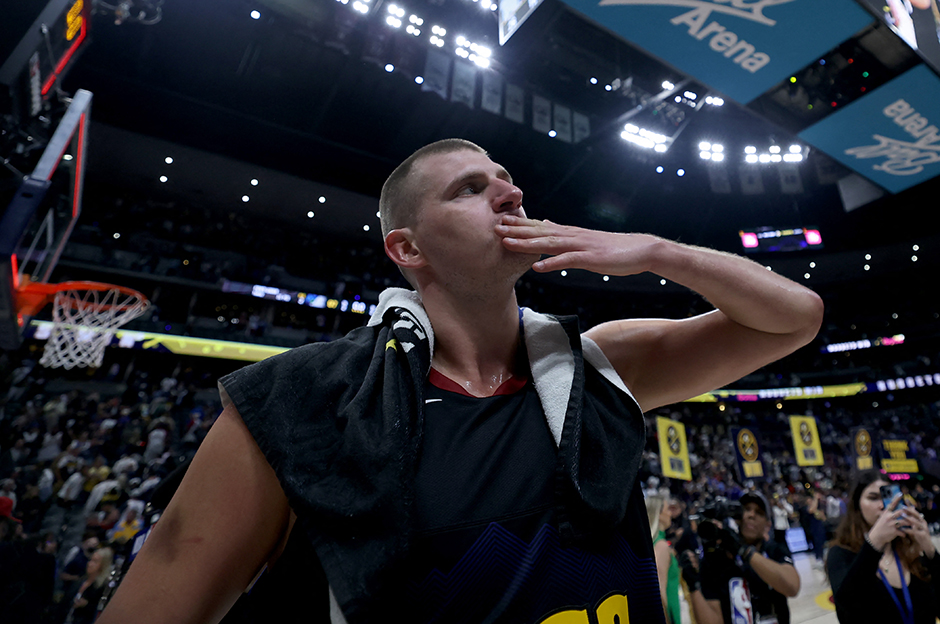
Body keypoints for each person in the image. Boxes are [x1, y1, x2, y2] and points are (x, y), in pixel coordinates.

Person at [97, 139, 823, 623]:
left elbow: (792, 319)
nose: (509, 193)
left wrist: (658, 252)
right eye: (471, 189)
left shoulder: (600, 365)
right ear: (407, 247)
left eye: (507, 181)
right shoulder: (304, 402)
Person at [827, 469, 940, 623]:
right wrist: (874, 544)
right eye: (873, 498)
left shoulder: (910, 551)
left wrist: (930, 550)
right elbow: (848, 611)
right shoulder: (841, 553)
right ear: (857, 505)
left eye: (889, 498)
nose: (883, 506)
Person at [681, 491, 800, 624]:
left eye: (759, 512)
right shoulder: (716, 559)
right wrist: (693, 586)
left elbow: (792, 587)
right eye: (746, 509)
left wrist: (743, 550)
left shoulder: (774, 550)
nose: (751, 515)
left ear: (768, 525)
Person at [647, 494, 682, 624]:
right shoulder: (661, 545)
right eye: (667, 509)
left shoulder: (651, 543)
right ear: (659, 514)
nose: (670, 514)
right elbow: (659, 591)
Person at [67, 546, 114, 624]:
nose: (89, 564)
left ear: (103, 566)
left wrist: (86, 604)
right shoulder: (81, 580)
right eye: (90, 560)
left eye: (95, 561)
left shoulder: (102, 588)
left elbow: (100, 610)